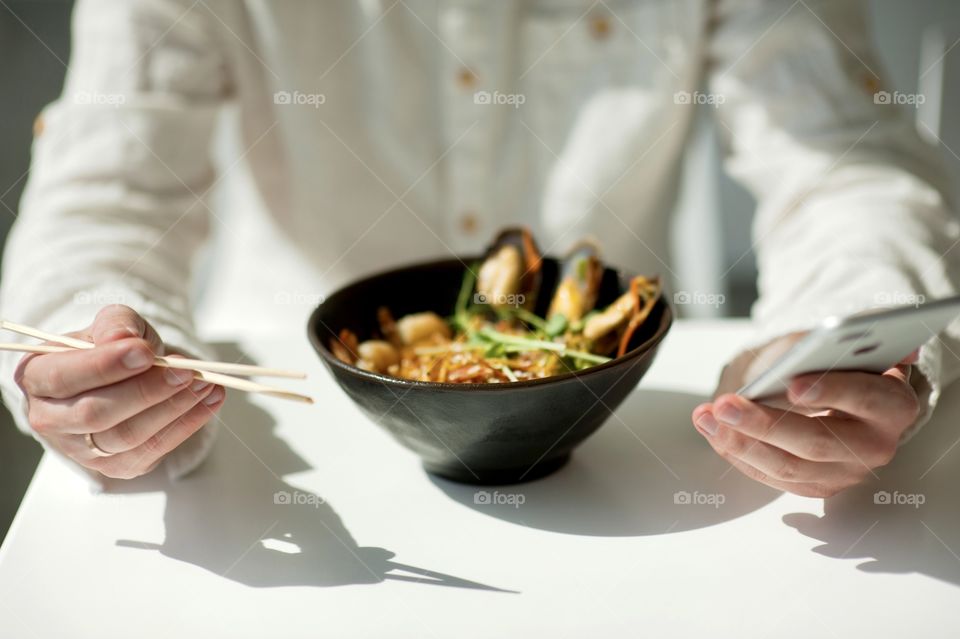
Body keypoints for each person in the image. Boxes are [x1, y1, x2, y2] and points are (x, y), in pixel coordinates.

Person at [2, 0, 958, 495]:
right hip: (272, 428)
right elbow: (107, 192)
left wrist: (836, 347)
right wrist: (98, 356)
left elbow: (846, 164)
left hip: (622, 437)